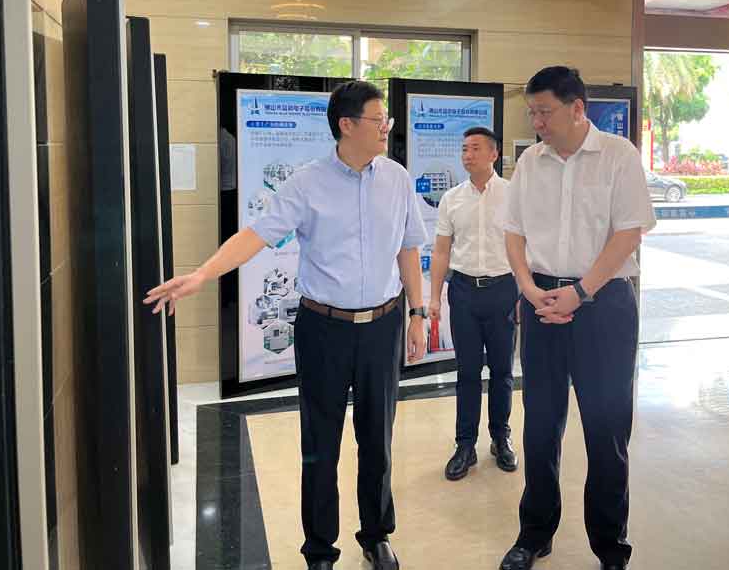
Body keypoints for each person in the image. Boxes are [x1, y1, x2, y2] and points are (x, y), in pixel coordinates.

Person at [145, 81, 428, 570]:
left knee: (377, 438)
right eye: (378, 119)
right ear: (347, 125)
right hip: (324, 328)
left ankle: (376, 534)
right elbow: (255, 235)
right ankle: (319, 548)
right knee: (320, 442)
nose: (387, 128)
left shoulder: (397, 179)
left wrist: (418, 313)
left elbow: (408, 247)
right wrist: (203, 274)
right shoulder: (306, 183)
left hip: (382, 326)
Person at [497, 66, 656, 570]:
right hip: (542, 300)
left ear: (577, 108)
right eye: (532, 113)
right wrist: (528, 288)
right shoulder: (531, 162)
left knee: (606, 430)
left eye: (545, 112)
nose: (537, 122)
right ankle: (534, 534)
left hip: (604, 304)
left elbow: (629, 233)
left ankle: (610, 546)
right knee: (540, 425)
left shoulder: (618, 155)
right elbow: (514, 232)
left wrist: (581, 292)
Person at [429, 126, 518, 481]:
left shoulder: (513, 195)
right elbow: (441, 251)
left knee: (502, 371)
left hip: (503, 290)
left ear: (494, 154)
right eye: (464, 149)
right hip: (463, 292)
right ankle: (465, 445)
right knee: (466, 373)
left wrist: (525, 293)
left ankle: (500, 438)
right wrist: (433, 298)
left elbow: (525, 247)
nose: (467, 155)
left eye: (475, 148)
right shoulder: (451, 198)